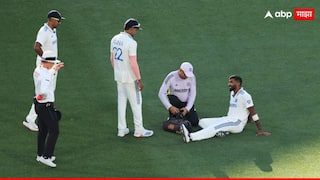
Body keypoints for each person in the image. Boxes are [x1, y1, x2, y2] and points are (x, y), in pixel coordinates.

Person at [181, 75, 271, 143]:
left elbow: (253, 112)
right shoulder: (232, 93)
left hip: (236, 123)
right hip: (228, 119)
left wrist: (260, 130)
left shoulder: (245, 95)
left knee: (215, 127)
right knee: (202, 122)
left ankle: (191, 137)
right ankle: (222, 132)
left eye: (231, 82)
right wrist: (248, 119)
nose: (229, 84)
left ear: (238, 83)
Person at [110, 18, 153, 138]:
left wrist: (118, 71)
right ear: (131, 29)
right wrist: (139, 79)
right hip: (130, 78)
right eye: (136, 29)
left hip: (119, 77)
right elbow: (133, 63)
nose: (136, 32)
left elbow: (112, 59)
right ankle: (139, 130)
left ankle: (121, 129)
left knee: (121, 101)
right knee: (136, 103)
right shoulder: (131, 43)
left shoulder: (114, 39)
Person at [23, 10, 65, 131]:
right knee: (43, 92)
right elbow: (36, 46)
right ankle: (30, 119)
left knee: (50, 90)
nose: (60, 23)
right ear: (51, 20)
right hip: (46, 65)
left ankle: (45, 112)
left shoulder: (53, 30)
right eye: (58, 21)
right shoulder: (44, 32)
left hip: (51, 64)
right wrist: (46, 60)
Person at [33, 50, 64, 168]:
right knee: (54, 130)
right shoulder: (46, 75)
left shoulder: (38, 70)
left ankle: (40, 154)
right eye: (52, 63)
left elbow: (46, 74)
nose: (53, 65)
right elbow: (44, 90)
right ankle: (47, 156)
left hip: (39, 105)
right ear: (47, 63)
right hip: (46, 105)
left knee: (43, 131)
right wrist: (42, 96)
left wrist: (54, 70)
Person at [158, 62, 199, 134]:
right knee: (173, 99)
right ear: (180, 71)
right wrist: (170, 107)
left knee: (195, 122)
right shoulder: (171, 77)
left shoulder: (191, 77)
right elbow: (161, 93)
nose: (187, 77)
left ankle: (180, 119)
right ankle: (173, 118)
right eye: (185, 74)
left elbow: (192, 94)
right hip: (175, 102)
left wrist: (187, 108)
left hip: (186, 103)